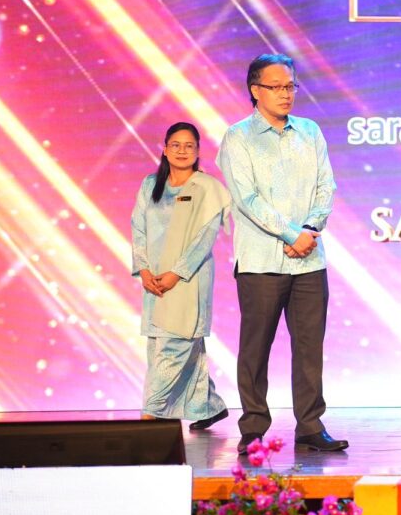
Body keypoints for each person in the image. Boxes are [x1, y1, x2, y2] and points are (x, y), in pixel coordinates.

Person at [219, 54, 347, 454]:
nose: (286, 94)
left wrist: (310, 230)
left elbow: (326, 186)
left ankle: (310, 425)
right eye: (276, 87)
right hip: (261, 262)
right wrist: (292, 233)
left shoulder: (309, 131)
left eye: (290, 86)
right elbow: (247, 199)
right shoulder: (238, 137)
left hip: (310, 261)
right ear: (255, 90)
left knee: (309, 348)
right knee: (255, 348)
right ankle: (253, 427)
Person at [131, 122, 230, 428]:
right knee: (162, 345)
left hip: (188, 280)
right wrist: (143, 269)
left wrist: (177, 273)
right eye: (176, 145)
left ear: (198, 151)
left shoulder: (207, 188)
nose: (182, 151)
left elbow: (204, 239)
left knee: (174, 347)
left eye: (189, 146)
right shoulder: (150, 185)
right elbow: (138, 228)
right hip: (154, 280)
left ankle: (150, 417)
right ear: (165, 149)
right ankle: (207, 406)